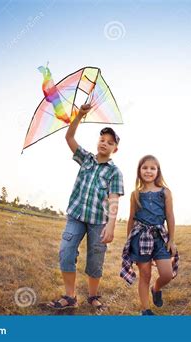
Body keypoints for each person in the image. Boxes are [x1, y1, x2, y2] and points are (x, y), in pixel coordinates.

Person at [48, 104, 124, 310]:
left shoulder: (114, 172)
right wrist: (79, 115)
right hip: (76, 216)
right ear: (97, 142)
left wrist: (111, 225)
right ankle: (70, 296)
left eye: (110, 143)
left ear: (114, 149)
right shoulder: (86, 159)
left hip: (98, 222)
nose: (104, 144)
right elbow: (69, 138)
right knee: (66, 252)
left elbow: (114, 199)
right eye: (102, 140)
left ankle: (93, 296)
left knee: (95, 260)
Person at [120, 155, 179, 315]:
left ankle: (156, 288)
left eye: (153, 168)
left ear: (158, 171)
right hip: (140, 238)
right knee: (145, 275)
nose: (148, 171)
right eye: (145, 167)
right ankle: (145, 310)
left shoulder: (165, 192)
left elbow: (170, 216)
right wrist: (129, 243)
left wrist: (171, 240)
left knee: (167, 274)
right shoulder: (135, 194)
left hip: (160, 237)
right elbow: (131, 219)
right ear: (139, 171)